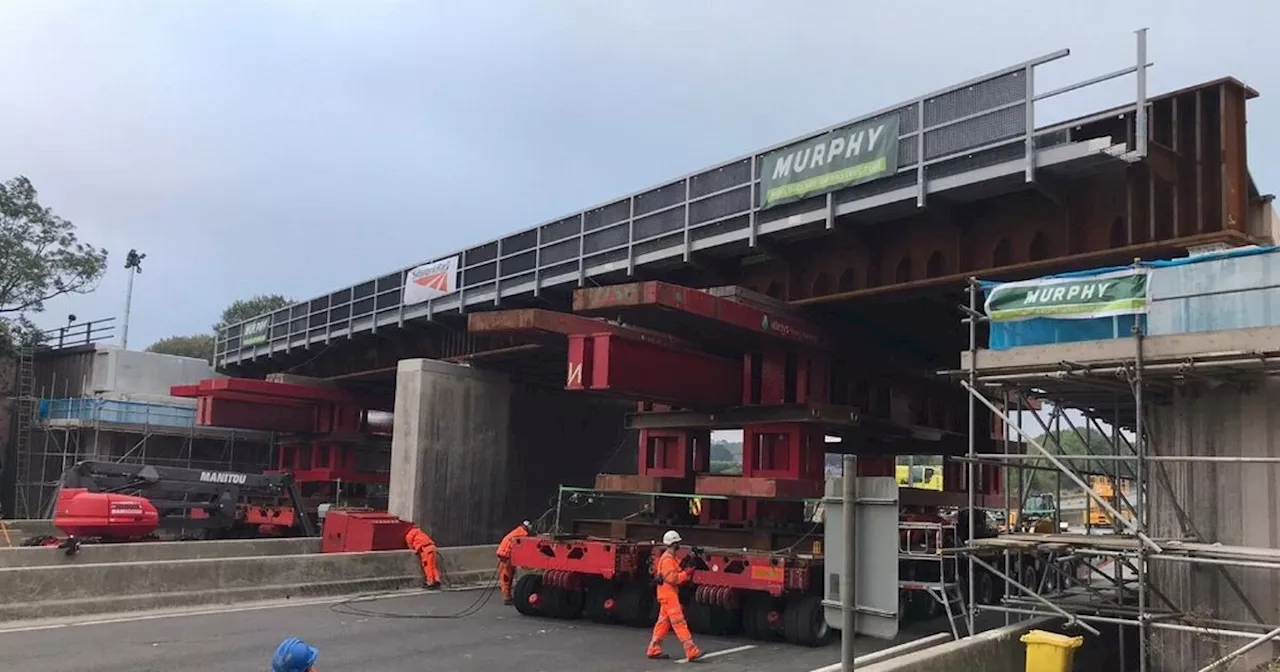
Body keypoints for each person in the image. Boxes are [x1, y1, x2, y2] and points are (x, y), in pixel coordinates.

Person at [646, 530, 701, 661]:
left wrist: (689, 560)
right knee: (679, 622)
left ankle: (653, 649)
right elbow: (673, 578)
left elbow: (678, 567)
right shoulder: (667, 560)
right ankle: (691, 650)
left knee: (663, 623)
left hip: (666, 594)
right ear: (674, 544)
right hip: (669, 595)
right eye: (678, 543)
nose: (679, 545)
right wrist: (686, 574)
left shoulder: (669, 558)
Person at [496, 520, 531, 605]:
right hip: (506, 556)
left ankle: (507, 595)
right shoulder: (522, 534)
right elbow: (521, 549)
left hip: (504, 554)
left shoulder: (517, 531)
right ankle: (506, 597)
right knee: (506, 577)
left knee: (506, 576)